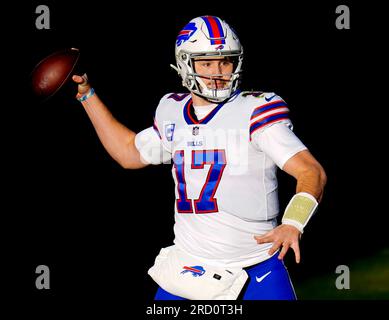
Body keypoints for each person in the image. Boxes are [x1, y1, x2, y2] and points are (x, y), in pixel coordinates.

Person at [72, 15, 326, 300]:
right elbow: (129, 153)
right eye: (206, 63)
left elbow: (311, 172)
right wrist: (87, 95)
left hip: (255, 266)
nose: (218, 72)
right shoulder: (171, 110)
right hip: (188, 267)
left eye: (225, 61)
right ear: (185, 63)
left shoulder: (256, 110)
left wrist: (293, 222)